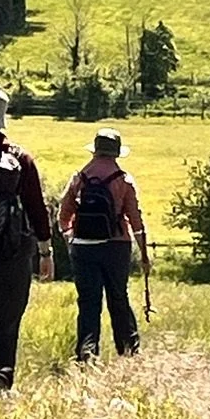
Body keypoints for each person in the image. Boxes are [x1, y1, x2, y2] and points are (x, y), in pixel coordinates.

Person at [0, 84, 52, 390]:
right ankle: (1, 387)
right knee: (7, 323)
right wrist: (46, 252)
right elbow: (37, 208)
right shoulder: (20, 158)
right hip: (13, 251)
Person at [57, 127, 149, 361]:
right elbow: (136, 221)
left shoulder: (79, 177)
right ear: (116, 153)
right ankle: (128, 350)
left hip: (83, 246)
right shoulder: (124, 180)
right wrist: (144, 254)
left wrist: (70, 240)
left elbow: (63, 215)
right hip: (116, 246)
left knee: (88, 302)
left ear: (95, 151)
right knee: (118, 297)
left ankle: (87, 353)